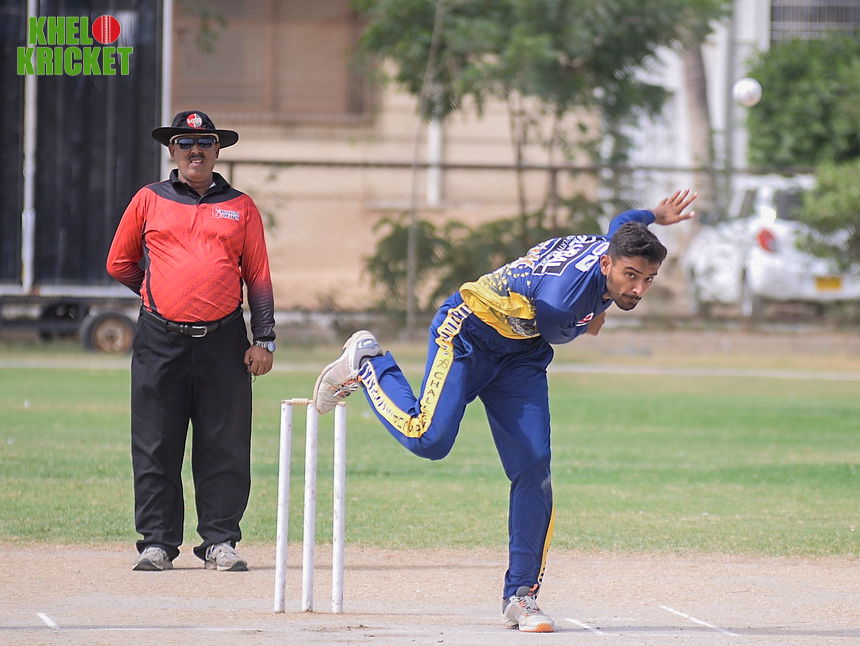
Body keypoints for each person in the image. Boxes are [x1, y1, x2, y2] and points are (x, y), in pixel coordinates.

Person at [312, 189, 696, 631]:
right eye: (631, 276)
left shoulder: (614, 243)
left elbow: (624, 219)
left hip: (521, 355)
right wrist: (593, 317)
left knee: (534, 468)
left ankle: (522, 595)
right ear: (606, 263)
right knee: (428, 439)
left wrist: (654, 215)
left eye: (648, 279)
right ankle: (368, 363)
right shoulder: (565, 303)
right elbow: (560, 330)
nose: (638, 289)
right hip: (470, 333)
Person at [107, 110, 276, 572]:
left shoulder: (241, 206)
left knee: (225, 443)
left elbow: (258, 276)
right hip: (159, 340)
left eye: (204, 142)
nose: (195, 150)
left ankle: (220, 541)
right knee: (155, 443)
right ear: (172, 151)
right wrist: (155, 291)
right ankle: (157, 544)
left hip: (225, 341)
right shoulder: (149, 199)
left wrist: (264, 339)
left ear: (218, 150)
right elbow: (119, 263)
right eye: (185, 142)